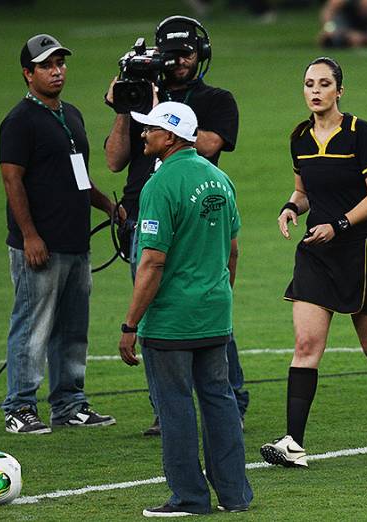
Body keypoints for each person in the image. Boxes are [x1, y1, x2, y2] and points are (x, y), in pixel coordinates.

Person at [260, 56, 367, 468]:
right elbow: (304, 191)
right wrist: (291, 207)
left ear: (339, 91)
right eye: (309, 84)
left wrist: (339, 224)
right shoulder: (300, 137)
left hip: (360, 251)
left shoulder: (361, 133)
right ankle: (293, 441)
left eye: (324, 84)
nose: (315, 91)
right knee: (306, 345)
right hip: (317, 252)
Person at [104, 15, 247, 436]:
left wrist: (158, 115)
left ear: (200, 55)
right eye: (170, 55)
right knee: (154, 314)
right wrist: (124, 111)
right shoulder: (142, 98)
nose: (179, 62)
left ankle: (230, 398)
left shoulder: (218, 99)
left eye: (186, 53)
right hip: (143, 218)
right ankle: (165, 406)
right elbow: (114, 160)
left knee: (206, 312)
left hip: (198, 222)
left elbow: (210, 144)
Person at [117, 102, 252, 516]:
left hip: (173, 321)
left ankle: (190, 498)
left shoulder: (159, 186)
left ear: (171, 137)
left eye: (151, 129)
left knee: (174, 405)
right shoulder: (219, 179)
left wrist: (130, 323)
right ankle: (235, 495)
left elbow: (153, 262)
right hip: (215, 314)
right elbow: (231, 250)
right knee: (219, 399)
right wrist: (218, 295)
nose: (144, 135)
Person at [0, 34, 119, 434]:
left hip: (75, 241)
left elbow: (79, 177)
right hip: (40, 246)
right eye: (47, 65)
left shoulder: (72, 115)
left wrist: (109, 207)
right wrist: (30, 235)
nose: (57, 71)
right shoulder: (19, 121)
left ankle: (69, 403)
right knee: (32, 327)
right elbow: (12, 181)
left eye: (60, 64)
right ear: (28, 73)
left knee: (72, 328)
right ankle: (19, 407)